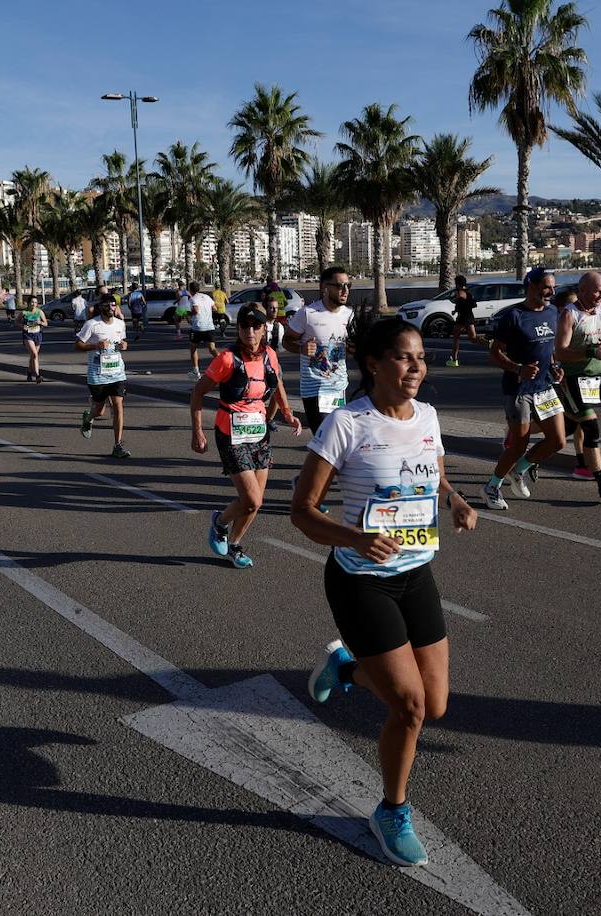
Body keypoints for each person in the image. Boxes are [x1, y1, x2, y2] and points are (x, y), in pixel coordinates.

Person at [292, 318, 476, 868]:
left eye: (421, 357)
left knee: (436, 705)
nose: (417, 366)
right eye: (403, 357)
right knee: (411, 707)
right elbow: (301, 512)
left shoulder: (427, 415)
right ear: (373, 363)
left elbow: (433, 470)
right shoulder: (346, 425)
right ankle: (392, 810)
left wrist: (455, 499)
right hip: (359, 580)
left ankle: (347, 667)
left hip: (417, 572)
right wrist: (356, 537)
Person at [191, 305, 302, 568]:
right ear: (238, 328)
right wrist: (197, 431)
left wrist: (287, 413)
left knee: (254, 505)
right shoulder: (227, 359)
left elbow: (278, 385)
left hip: (258, 433)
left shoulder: (270, 356)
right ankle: (219, 523)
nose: (250, 331)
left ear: (265, 329)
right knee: (252, 499)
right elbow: (197, 393)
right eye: (244, 326)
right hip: (230, 434)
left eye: (256, 326)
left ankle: (236, 543)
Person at [481, 267, 567, 511]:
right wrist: (518, 369)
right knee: (518, 445)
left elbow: (548, 350)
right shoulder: (514, 316)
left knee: (558, 440)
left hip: (545, 388)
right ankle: (491, 486)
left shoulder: (552, 312)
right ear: (531, 286)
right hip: (518, 390)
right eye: (546, 287)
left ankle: (519, 471)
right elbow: (495, 353)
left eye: (553, 287)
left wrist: (555, 367)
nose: (551, 292)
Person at [555, 273, 601, 500]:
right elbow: (560, 351)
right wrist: (590, 351)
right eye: (597, 291)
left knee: (565, 429)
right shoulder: (570, 314)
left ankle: (525, 459)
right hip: (572, 378)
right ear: (583, 290)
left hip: (593, 379)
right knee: (591, 428)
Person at [285, 267, 354, 433]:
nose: (345, 290)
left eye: (348, 285)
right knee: (325, 438)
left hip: (339, 388)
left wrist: (353, 349)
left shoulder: (349, 314)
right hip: (315, 390)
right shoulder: (307, 314)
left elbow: (349, 350)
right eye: (339, 286)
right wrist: (301, 348)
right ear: (325, 287)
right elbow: (286, 341)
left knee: (339, 438)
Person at [75, 293, 132, 459]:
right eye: (107, 305)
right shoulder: (91, 325)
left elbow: (121, 342)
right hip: (97, 375)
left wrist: (124, 345)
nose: (111, 308)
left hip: (117, 373)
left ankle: (117, 445)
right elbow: (77, 345)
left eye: (113, 305)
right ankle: (89, 417)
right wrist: (95, 345)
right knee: (99, 411)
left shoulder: (121, 324)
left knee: (118, 407)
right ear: (101, 307)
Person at [185, 281, 218, 379]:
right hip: (209, 326)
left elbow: (196, 310)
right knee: (212, 349)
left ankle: (196, 371)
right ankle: (225, 365)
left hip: (197, 327)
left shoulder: (193, 299)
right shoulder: (207, 297)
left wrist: (188, 314)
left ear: (190, 289)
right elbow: (215, 308)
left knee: (193, 348)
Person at [446, 275, 478, 367]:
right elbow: (474, 304)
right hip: (469, 316)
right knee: (473, 338)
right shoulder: (469, 293)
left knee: (456, 338)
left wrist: (457, 310)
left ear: (458, 284)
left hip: (462, 318)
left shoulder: (459, 293)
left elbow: (460, 304)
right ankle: (488, 341)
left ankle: (454, 360)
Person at [16, 294, 48, 382]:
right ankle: (37, 375)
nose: (34, 304)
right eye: (32, 302)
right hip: (28, 335)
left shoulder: (40, 312)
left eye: (35, 302)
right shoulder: (24, 312)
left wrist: (40, 322)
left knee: (33, 356)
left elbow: (46, 323)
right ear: (28, 303)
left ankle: (29, 371)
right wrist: (22, 326)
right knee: (34, 354)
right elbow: (17, 322)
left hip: (37, 334)